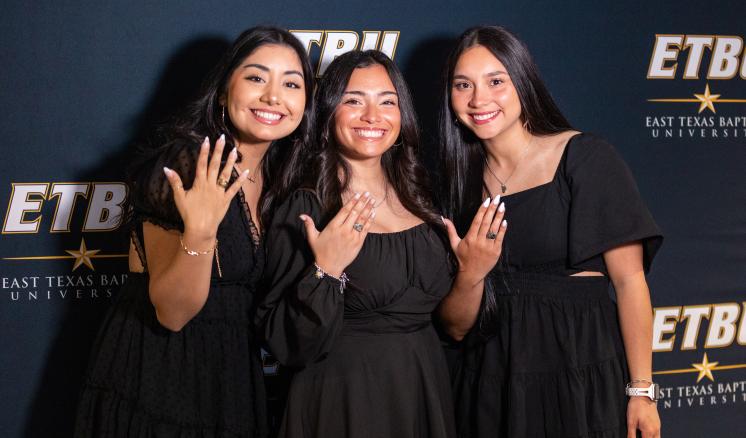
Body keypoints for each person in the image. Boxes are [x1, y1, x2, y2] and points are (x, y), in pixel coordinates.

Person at [74, 26, 314, 437]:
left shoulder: (280, 180)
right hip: (161, 375)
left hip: (232, 376)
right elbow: (172, 313)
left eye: (291, 83)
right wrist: (201, 235)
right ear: (223, 92)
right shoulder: (186, 161)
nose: (274, 96)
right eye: (256, 78)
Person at [255, 49, 506, 438]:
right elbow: (289, 346)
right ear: (327, 113)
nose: (373, 117)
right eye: (354, 101)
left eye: (387, 102)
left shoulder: (422, 199)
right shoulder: (307, 206)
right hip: (340, 401)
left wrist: (471, 274)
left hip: (423, 391)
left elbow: (454, 330)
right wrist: (326, 271)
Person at [437, 26, 663, 438]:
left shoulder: (584, 157)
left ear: (523, 82)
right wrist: (470, 273)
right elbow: (454, 328)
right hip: (490, 385)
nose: (478, 99)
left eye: (496, 81)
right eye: (462, 85)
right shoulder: (457, 186)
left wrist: (641, 391)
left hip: (579, 374)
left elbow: (630, 282)